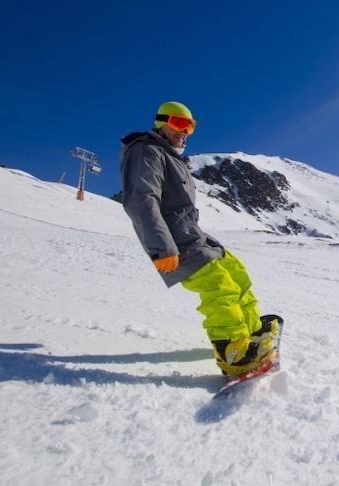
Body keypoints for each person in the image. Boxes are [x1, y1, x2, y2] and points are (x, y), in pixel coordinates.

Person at [119, 101, 280, 377]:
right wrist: (161, 249)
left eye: (190, 126)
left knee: (236, 272)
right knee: (219, 287)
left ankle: (251, 333)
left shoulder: (171, 157)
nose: (185, 132)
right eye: (179, 124)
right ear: (162, 123)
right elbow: (141, 200)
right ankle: (233, 352)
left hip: (194, 237)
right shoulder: (147, 151)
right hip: (176, 244)